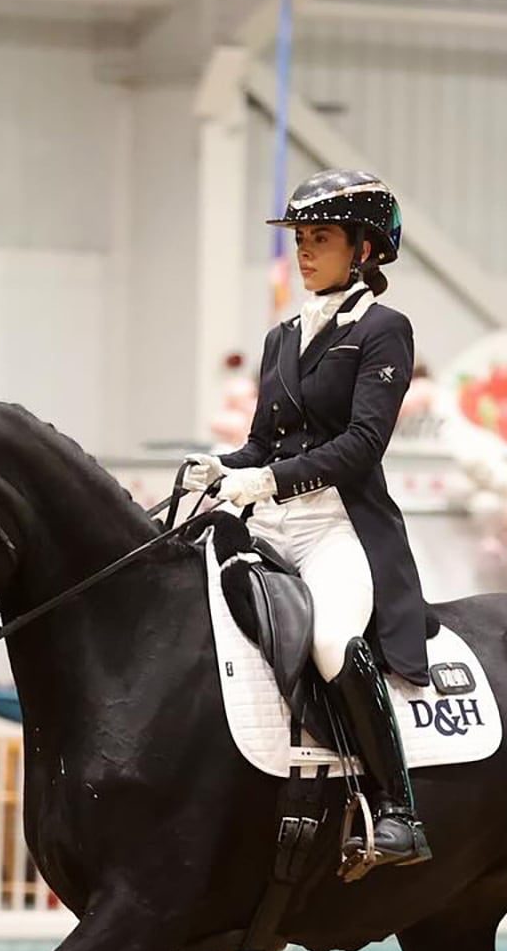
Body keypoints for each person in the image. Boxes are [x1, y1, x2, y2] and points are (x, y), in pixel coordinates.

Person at [183, 169, 437, 868]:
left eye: (319, 238)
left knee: (329, 640)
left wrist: (264, 479)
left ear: (362, 250)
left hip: (337, 525)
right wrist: (221, 466)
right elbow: (263, 441)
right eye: (300, 238)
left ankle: (397, 811)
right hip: (272, 521)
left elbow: (362, 444)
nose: (304, 252)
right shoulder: (282, 337)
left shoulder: (384, 331)